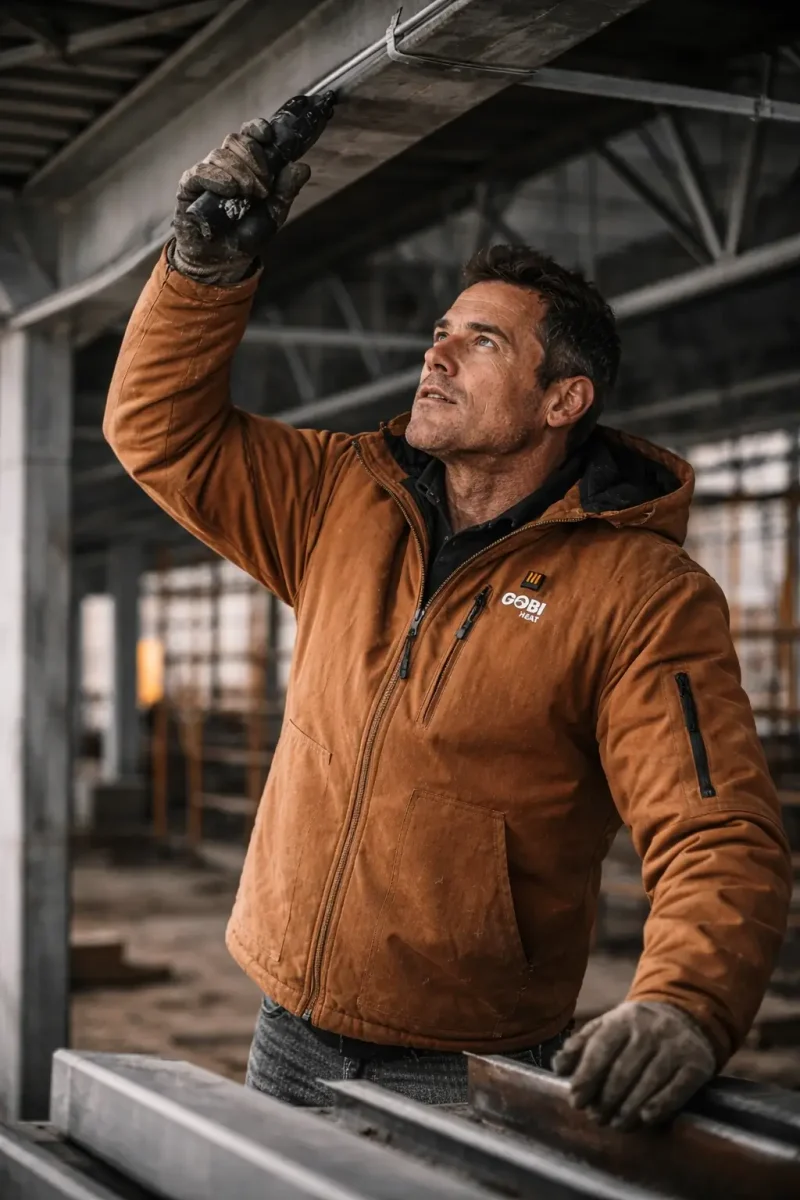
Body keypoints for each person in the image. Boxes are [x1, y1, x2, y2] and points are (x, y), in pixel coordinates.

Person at [104, 96, 792, 1127]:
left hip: (466, 1061)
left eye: (479, 342)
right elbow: (158, 433)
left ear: (563, 401)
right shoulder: (342, 498)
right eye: (438, 333)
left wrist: (685, 1001)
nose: (434, 355)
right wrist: (204, 271)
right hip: (284, 1026)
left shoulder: (638, 596)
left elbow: (714, 824)